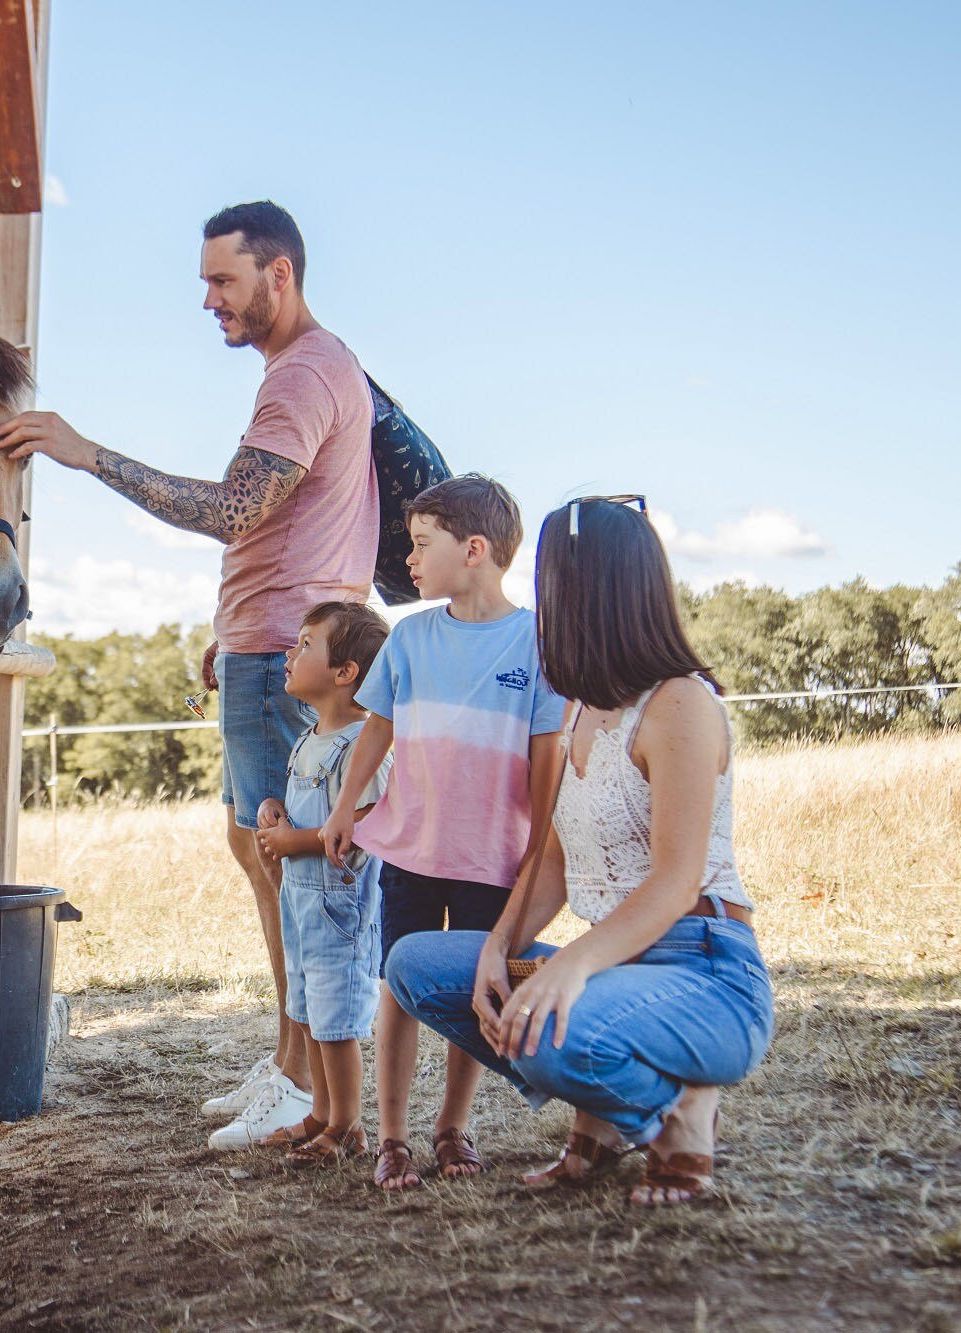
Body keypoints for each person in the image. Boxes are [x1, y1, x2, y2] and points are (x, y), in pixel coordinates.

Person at [0, 202, 378, 1139]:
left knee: (287, 862)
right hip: (269, 639)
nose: (208, 300)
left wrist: (87, 455)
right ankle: (290, 1061)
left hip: (283, 646)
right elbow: (290, 522)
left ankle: (306, 1085)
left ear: (278, 274)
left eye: (223, 280)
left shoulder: (303, 376)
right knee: (260, 852)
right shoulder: (311, 369)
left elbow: (234, 508)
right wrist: (237, 628)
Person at [384, 496, 775, 1206]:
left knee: (547, 1023)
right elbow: (555, 863)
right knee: (414, 962)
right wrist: (500, 947)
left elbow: (676, 880)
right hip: (613, 962)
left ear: (590, 592)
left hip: (706, 972)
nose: (542, 602)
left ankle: (679, 1118)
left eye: (551, 583)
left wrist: (563, 970)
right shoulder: (575, 707)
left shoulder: (680, 703)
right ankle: (597, 1121)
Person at [319, 476, 566, 1190]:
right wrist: (343, 811)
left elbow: (546, 756)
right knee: (399, 981)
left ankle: (452, 1125)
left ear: (476, 550)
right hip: (412, 847)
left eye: (423, 544)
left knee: (472, 990)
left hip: (496, 856)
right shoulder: (410, 639)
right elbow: (378, 728)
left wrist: (538, 848)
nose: (410, 558)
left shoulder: (539, 642)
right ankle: (392, 1136)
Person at [221, 601, 393, 1157]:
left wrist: (295, 841)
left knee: (336, 1019)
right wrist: (275, 809)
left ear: (345, 674)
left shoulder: (362, 746)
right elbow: (300, 808)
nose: (290, 655)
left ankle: (346, 1124)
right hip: (302, 905)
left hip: (341, 910)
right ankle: (319, 1111)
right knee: (309, 1009)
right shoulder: (306, 739)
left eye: (304, 645)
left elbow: (372, 821)